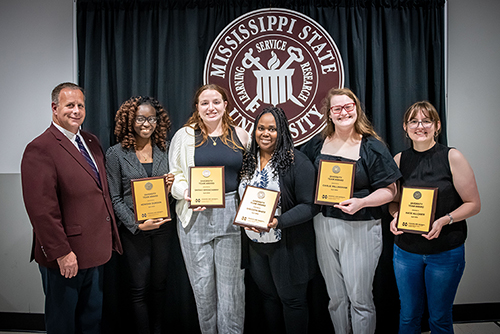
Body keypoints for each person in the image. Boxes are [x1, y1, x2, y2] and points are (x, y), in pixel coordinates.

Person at [20, 82, 123, 334]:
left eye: (80, 105)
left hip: (96, 251)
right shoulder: (40, 148)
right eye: (69, 105)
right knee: (63, 323)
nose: (76, 111)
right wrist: (62, 252)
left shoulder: (90, 141)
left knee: (91, 321)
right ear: (55, 108)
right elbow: (42, 210)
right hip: (66, 257)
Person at [303, 87, 401, 334]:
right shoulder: (317, 144)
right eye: (337, 108)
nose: (343, 112)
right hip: (324, 225)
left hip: (361, 226)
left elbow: (391, 191)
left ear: (356, 109)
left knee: (360, 300)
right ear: (329, 114)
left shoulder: (372, 146)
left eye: (348, 106)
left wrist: (362, 202)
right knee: (335, 298)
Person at [389, 101, 480, 333]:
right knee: (408, 316)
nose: (420, 126)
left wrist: (444, 219)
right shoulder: (399, 159)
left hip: (445, 252)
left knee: (439, 317)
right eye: (413, 121)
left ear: (437, 126)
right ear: (405, 127)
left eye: (426, 120)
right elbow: (393, 201)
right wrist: (395, 215)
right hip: (406, 252)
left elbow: (473, 204)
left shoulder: (452, 157)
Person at [168, 84, 249, 333]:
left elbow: (250, 174)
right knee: (202, 290)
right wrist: (187, 193)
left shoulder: (242, 135)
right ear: (197, 108)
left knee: (232, 290)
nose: (211, 107)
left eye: (216, 102)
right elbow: (175, 176)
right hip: (195, 216)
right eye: (205, 103)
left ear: (226, 105)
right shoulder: (184, 135)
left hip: (232, 215)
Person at [239, 106, 317, 334]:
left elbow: (311, 205)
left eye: (272, 129)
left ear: (282, 131)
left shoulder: (297, 162)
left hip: (287, 244)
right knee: (268, 297)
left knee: (292, 301)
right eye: (261, 128)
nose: (265, 133)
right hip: (255, 245)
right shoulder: (248, 161)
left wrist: (277, 221)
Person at [105, 96, 175, 334]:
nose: (147, 123)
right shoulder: (115, 154)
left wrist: (169, 189)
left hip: (163, 229)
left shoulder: (165, 150)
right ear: (129, 121)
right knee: (138, 290)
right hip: (135, 231)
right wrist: (136, 225)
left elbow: (168, 196)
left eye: (152, 118)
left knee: (160, 286)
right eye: (141, 118)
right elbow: (113, 198)